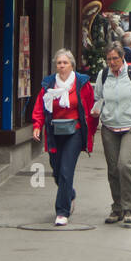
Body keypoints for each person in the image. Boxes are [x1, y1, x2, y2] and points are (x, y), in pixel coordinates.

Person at [92, 43, 131, 225]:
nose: (112, 62)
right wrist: (98, 110)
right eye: (109, 59)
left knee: (124, 165)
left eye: (115, 59)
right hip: (109, 127)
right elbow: (98, 98)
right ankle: (117, 207)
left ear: (122, 58)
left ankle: (128, 208)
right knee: (113, 170)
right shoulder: (103, 75)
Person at [32, 48, 96, 225]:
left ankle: (62, 212)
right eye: (59, 63)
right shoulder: (49, 84)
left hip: (74, 131)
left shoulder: (82, 83)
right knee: (57, 171)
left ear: (72, 65)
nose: (61, 66)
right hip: (54, 132)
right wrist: (37, 125)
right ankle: (70, 194)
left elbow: (90, 109)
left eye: (65, 63)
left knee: (67, 171)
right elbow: (40, 106)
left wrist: (90, 132)